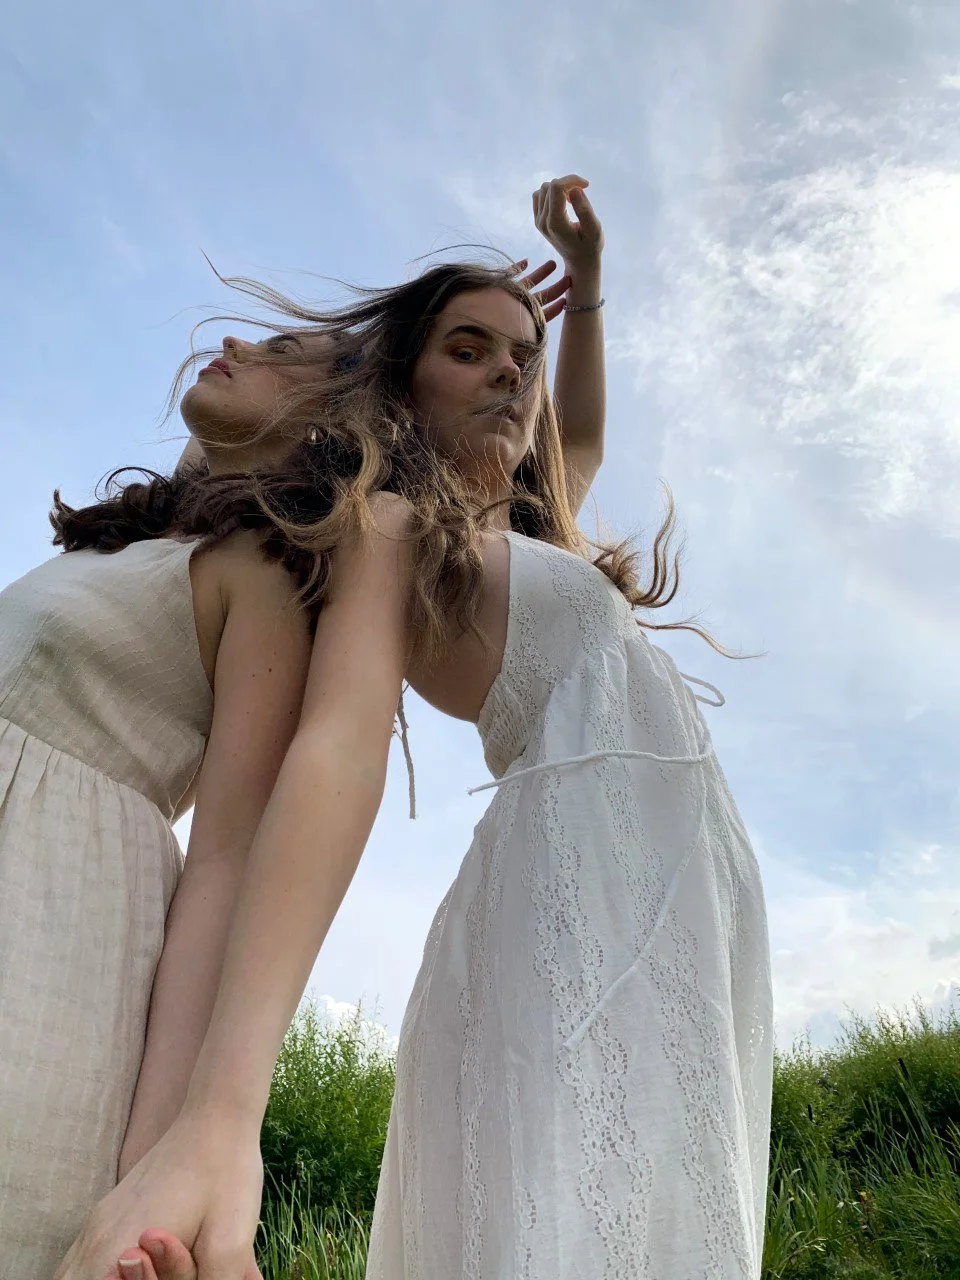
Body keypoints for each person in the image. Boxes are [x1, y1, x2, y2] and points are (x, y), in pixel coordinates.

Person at [62, 183, 771, 1280]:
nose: (506, 373)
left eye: (521, 360)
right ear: (404, 385)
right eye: (466, 349)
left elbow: (576, 431)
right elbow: (336, 749)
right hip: (572, 885)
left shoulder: (537, 531)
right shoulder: (391, 529)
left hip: (693, 884)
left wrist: (586, 291)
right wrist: (220, 1112)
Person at [0, 176, 596, 1280]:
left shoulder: (264, 575)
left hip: (40, 936)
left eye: (280, 348)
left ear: (334, 410)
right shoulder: (133, 546)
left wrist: (158, 1175)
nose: (235, 341)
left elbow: (227, 857)